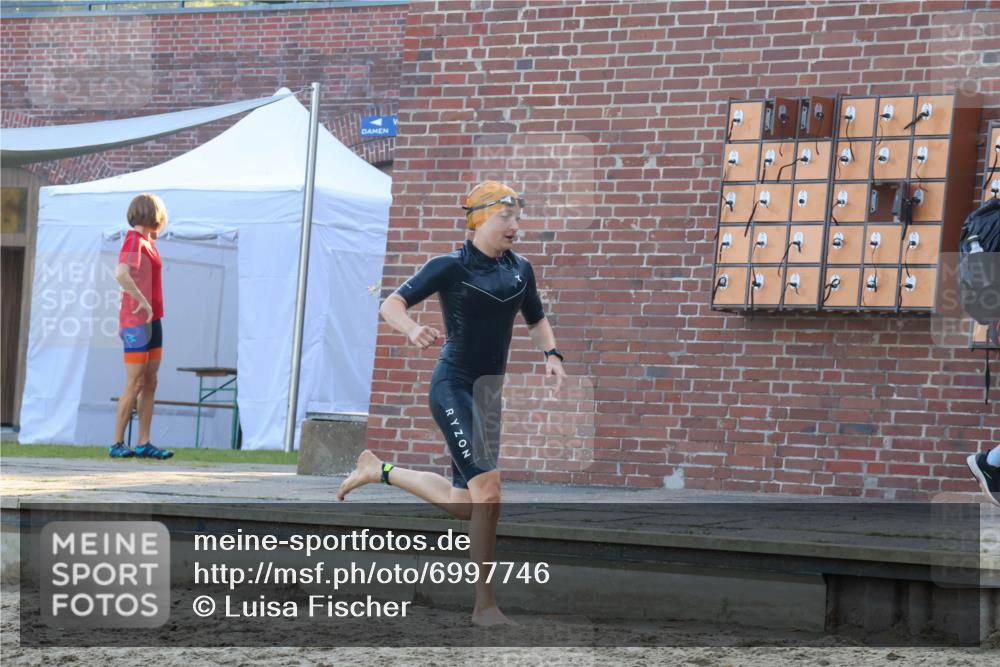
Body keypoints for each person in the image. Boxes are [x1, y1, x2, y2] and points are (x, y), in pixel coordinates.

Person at [338, 181, 566, 626]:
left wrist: (552, 355)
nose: (515, 226)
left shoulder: (521, 269)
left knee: (466, 503)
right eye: (506, 217)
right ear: (479, 219)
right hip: (454, 386)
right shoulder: (449, 266)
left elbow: (536, 318)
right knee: (490, 493)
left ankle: (378, 469)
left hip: (488, 395)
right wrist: (411, 329)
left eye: (518, 218)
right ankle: (485, 606)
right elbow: (392, 305)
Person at [109, 193, 174, 460]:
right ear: (154, 214)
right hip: (137, 322)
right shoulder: (134, 239)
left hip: (153, 320)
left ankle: (144, 443)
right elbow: (121, 273)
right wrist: (142, 302)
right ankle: (117, 443)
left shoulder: (149, 243)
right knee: (135, 382)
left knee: (150, 381)